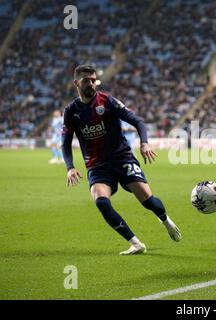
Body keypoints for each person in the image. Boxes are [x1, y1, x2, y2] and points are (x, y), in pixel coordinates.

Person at [62, 64, 181, 255]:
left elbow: (138, 121)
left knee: (147, 200)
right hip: (97, 165)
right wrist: (70, 167)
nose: (92, 84)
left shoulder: (107, 101)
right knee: (101, 202)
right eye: (87, 81)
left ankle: (165, 219)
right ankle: (135, 243)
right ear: (76, 83)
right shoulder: (71, 111)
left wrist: (144, 143)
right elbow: (66, 142)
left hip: (122, 158)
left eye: (94, 80)